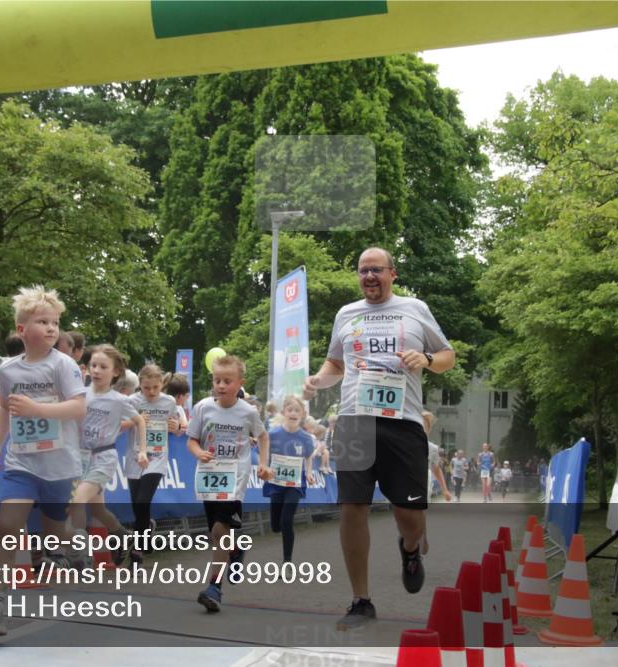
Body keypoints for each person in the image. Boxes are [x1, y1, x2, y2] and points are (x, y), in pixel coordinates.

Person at [303, 247, 454, 630]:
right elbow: (336, 364)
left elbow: (447, 354)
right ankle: (360, 601)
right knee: (352, 507)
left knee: (410, 517)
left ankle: (410, 548)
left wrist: (428, 360)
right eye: (362, 271)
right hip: (354, 420)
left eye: (376, 270)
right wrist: (318, 380)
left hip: (402, 422)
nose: (369, 276)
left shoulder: (414, 308)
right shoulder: (346, 314)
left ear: (392, 273)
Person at [0, 285, 88, 637]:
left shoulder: (63, 366)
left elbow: (79, 407)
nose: (51, 328)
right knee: (7, 527)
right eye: (43, 321)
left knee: (54, 534)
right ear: (22, 330)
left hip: (58, 464)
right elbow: (5, 407)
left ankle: (76, 544)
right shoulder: (9, 370)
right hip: (21, 462)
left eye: (55, 322)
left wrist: (38, 408)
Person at [187, 354, 272, 613]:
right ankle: (235, 551)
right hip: (209, 477)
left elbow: (263, 436)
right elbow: (191, 440)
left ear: (240, 383)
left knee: (218, 532)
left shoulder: (248, 412)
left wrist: (264, 464)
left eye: (227, 381)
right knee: (216, 533)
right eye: (217, 380)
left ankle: (214, 587)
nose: (221, 386)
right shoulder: (203, 408)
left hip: (235, 478)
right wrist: (199, 452)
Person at [69, 344, 143, 567]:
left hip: (103, 457)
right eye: (93, 365)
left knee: (77, 500)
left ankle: (81, 556)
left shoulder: (119, 400)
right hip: (79, 456)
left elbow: (139, 420)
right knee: (98, 509)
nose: (97, 371)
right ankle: (124, 536)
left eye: (103, 366)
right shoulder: (80, 393)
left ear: (115, 372)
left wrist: (142, 450)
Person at [125, 363, 186, 564]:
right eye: (146, 388)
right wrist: (135, 420)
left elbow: (179, 428)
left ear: (161, 385)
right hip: (136, 457)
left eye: (155, 387)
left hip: (157, 457)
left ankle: (137, 552)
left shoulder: (169, 402)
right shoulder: (132, 401)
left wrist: (176, 426)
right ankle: (146, 529)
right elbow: (120, 425)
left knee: (143, 500)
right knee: (137, 505)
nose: (151, 392)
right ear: (140, 386)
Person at [263, 395, 316, 563]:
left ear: (302, 414)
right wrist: (265, 465)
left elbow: (308, 456)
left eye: (297, 410)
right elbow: (263, 450)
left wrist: (308, 472)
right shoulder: (273, 434)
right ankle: (279, 527)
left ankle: (287, 562)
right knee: (276, 526)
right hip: (276, 482)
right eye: (290, 410)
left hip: (295, 482)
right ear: (283, 412)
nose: (293, 413)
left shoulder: (306, 438)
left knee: (287, 520)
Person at [422, 411, 451, 505]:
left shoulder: (432, 448)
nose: (420, 431)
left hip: (423, 483)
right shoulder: (405, 445)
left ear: (428, 430)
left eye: (423, 428)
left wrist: (445, 490)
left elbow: (437, 469)